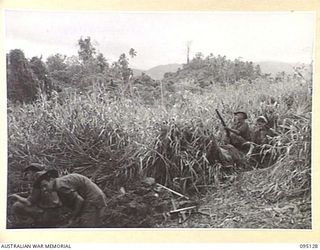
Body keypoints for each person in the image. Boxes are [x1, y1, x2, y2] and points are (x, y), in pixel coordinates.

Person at [37, 172, 108, 228]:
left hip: (92, 199)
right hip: (96, 196)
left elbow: (80, 200)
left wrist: (73, 218)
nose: (44, 189)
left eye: (45, 185)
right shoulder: (60, 182)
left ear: (51, 180)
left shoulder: (60, 186)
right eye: (42, 187)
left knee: (87, 227)